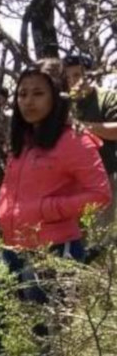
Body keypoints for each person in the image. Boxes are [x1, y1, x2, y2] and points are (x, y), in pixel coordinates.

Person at [0, 59, 111, 356]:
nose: (28, 101)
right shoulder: (22, 140)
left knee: (45, 340)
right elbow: (12, 188)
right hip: (13, 249)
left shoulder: (75, 141)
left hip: (55, 252)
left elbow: (100, 194)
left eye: (38, 92)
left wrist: (46, 210)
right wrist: (3, 210)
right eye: (22, 93)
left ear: (56, 97)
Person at [63, 54, 117, 232]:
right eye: (68, 77)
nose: (72, 81)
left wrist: (81, 126)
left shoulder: (107, 98)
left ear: (89, 76)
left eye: (77, 75)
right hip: (71, 186)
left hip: (105, 180)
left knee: (102, 237)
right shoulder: (63, 105)